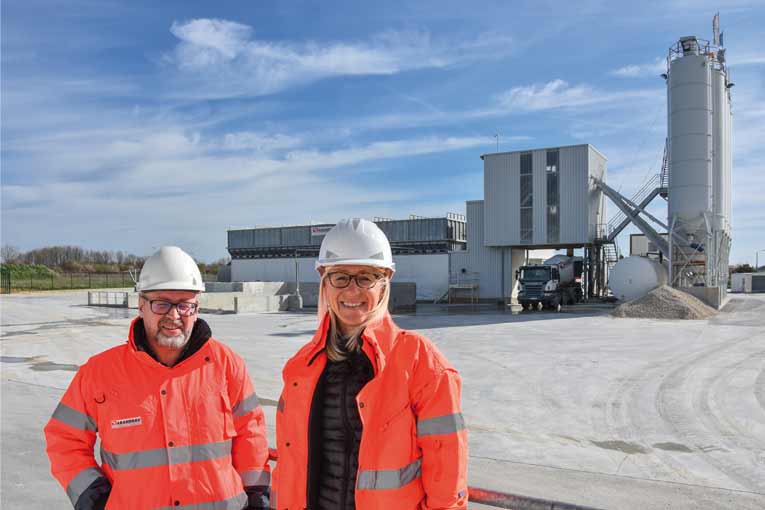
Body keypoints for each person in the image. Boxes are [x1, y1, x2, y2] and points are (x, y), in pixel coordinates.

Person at [44, 246, 270, 509]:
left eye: (185, 305)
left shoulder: (226, 365)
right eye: (161, 303)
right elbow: (64, 439)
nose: (174, 316)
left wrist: (257, 497)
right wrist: (93, 497)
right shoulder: (99, 373)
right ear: (141, 305)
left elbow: (251, 435)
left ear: (197, 308)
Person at [273, 218, 468, 510]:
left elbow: (447, 474)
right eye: (340, 277)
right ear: (325, 281)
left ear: (385, 281)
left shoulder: (420, 362)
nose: (352, 291)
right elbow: (290, 466)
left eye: (365, 277)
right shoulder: (302, 367)